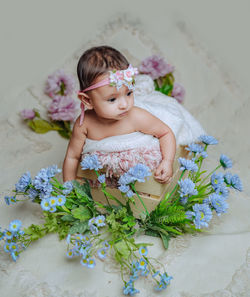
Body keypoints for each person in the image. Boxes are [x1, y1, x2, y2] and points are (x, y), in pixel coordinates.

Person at [63, 45, 176, 184]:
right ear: (87, 100)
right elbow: (72, 157)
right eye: (112, 99)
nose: (124, 104)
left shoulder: (136, 117)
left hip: (142, 184)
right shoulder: (84, 124)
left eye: (129, 93)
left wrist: (167, 161)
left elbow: (165, 133)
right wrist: (69, 190)